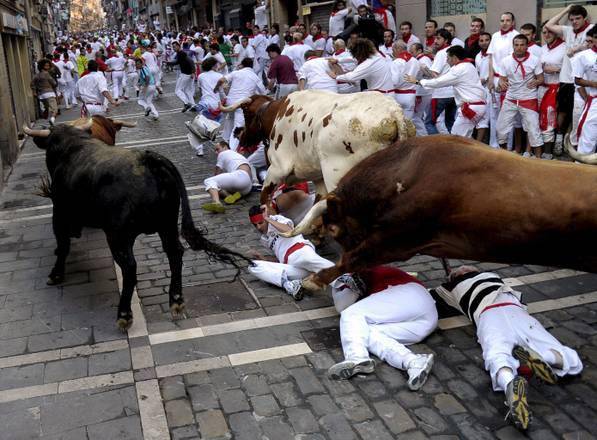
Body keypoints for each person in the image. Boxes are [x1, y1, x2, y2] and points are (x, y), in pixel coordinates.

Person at [434, 266, 583, 430]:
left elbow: (429, 297)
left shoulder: (448, 289)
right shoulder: (494, 277)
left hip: (488, 316)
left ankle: (509, 383)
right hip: (516, 311)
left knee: (497, 354)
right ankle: (545, 357)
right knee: (567, 357)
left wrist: (446, 283)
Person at [327, 266, 437, 391]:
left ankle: (356, 356)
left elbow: (343, 307)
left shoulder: (359, 271)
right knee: (366, 333)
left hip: (410, 295)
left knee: (351, 314)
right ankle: (413, 362)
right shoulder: (357, 274)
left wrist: (333, 281)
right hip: (425, 319)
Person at [248, 204, 334, 300]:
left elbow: (290, 231)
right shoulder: (264, 239)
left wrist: (268, 219)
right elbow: (279, 258)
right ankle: (289, 285)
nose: (258, 227)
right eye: (255, 225)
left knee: (308, 260)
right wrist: (264, 259)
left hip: (299, 251)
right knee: (253, 266)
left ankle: (343, 276)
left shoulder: (277, 219)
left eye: (260, 223)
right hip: (292, 266)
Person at [407, 45, 487, 138]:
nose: (446, 61)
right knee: (464, 138)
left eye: (448, 58)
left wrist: (418, 81)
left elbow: (439, 82)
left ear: (454, 58)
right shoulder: (469, 65)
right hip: (478, 105)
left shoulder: (458, 69)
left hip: (471, 107)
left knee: (456, 138)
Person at [545, 4, 594, 153]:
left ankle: (578, 146)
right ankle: (560, 139)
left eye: (577, 18)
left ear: (584, 18)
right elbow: (549, 25)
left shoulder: (591, 29)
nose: (574, 22)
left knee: (581, 113)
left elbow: (592, 43)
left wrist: (578, 48)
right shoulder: (567, 30)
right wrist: (567, 9)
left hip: (584, 79)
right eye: (571, 19)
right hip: (567, 78)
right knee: (563, 111)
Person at [495, 35, 544, 157]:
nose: (519, 48)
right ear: (513, 46)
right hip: (511, 98)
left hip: (528, 99)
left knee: (534, 130)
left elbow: (541, 78)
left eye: (522, 45)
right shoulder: (506, 61)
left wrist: (537, 82)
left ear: (527, 46)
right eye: (516, 45)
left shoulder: (535, 59)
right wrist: (501, 83)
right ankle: (504, 155)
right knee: (500, 128)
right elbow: (501, 80)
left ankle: (538, 160)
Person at [217, 57, 266, 142]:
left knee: (230, 120)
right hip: (242, 105)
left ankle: (225, 140)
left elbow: (221, 80)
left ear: (242, 65)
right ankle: (234, 147)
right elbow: (263, 92)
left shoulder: (236, 73)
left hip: (230, 102)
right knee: (238, 126)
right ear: (252, 66)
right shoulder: (255, 77)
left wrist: (216, 88)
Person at [329, 38, 394, 96]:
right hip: (389, 93)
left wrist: (336, 77)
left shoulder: (368, 63)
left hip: (382, 96)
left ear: (360, 54)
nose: (356, 58)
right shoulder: (378, 55)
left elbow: (352, 77)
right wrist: (338, 60)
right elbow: (353, 59)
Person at [202, 141, 253, 213]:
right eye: (215, 150)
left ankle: (216, 203)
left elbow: (217, 172)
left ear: (225, 147)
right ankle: (229, 196)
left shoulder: (223, 153)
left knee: (209, 181)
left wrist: (212, 186)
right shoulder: (236, 154)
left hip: (241, 176)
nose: (216, 152)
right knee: (218, 186)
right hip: (247, 188)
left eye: (218, 149)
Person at [539, 25, 566, 158]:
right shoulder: (542, 49)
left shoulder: (565, 47)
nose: (547, 35)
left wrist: (557, 69)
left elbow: (572, 68)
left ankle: (549, 151)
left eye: (550, 32)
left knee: (551, 118)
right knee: (541, 119)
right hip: (542, 87)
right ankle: (542, 149)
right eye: (544, 32)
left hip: (558, 87)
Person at [425, 29, 457, 135]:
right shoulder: (455, 50)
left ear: (446, 40)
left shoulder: (441, 53)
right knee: (450, 123)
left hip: (441, 94)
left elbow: (434, 74)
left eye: (438, 38)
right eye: (435, 38)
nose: (435, 41)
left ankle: (436, 147)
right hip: (454, 93)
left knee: (429, 123)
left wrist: (424, 68)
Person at [573, 26, 597, 155]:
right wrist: (594, 83)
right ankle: (581, 168)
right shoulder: (583, 56)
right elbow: (577, 80)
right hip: (594, 101)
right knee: (588, 136)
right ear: (592, 39)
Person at [475, 32, 496, 145]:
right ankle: (483, 143)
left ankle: (494, 143)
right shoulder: (478, 56)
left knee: (493, 118)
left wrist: (487, 78)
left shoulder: (494, 55)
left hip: (492, 88)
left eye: (486, 40)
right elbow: (477, 72)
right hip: (481, 90)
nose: (484, 43)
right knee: (483, 117)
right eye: (481, 40)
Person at [390, 40, 419, 120]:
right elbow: (418, 78)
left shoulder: (396, 62)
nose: (393, 53)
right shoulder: (416, 61)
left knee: (398, 123)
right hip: (411, 95)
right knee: (408, 123)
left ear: (398, 49)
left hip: (398, 95)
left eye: (393, 50)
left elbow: (394, 82)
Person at [409, 42, 432, 136]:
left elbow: (430, 74)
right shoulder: (420, 59)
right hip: (423, 92)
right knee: (419, 116)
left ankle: (424, 137)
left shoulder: (423, 60)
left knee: (415, 117)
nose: (410, 53)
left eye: (412, 51)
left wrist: (417, 79)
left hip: (422, 93)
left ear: (419, 50)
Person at [168, 41, 196, 112]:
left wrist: (193, 72)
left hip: (185, 74)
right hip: (189, 74)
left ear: (178, 46)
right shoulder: (180, 53)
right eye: (173, 47)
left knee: (177, 91)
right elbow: (177, 62)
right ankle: (193, 105)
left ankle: (187, 103)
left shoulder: (182, 53)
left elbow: (191, 61)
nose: (173, 48)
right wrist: (169, 63)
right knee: (187, 90)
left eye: (174, 47)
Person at [31, 59, 58, 125]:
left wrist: (34, 92)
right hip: (49, 93)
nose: (48, 67)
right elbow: (54, 83)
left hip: (41, 95)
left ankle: (45, 118)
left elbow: (32, 84)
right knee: (55, 110)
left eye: (48, 66)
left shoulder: (36, 75)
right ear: (42, 66)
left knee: (47, 108)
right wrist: (55, 83)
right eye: (46, 66)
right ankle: (51, 120)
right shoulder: (47, 74)